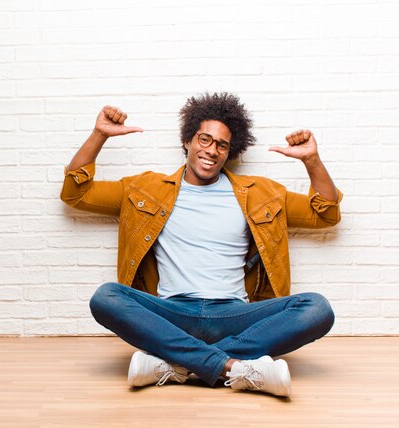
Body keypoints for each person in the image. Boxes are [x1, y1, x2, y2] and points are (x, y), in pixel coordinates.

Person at [59, 92, 342, 397]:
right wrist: (99, 135)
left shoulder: (261, 193)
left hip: (233, 316)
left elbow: (324, 213)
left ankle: (177, 364)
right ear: (188, 141)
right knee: (106, 297)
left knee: (317, 308)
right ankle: (234, 367)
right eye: (204, 140)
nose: (212, 150)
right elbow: (77, 193)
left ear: (229, 151)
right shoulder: (145, 188)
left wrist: (311, 160)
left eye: (221, 145)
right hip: (171, 313)